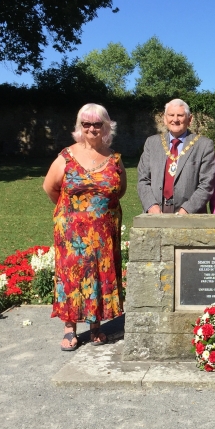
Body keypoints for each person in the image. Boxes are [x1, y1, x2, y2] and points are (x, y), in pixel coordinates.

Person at [42, 103, 126, 351]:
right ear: (80, 127)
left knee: (100, 275)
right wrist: (74, 213)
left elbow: (119, 191)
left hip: (103, 231)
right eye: (86, 124)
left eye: (97, 124)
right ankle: (70, 329)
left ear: (106, 126)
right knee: (73, 276)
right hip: (72, 232)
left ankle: (96, 326)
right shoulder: (66, 156)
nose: (91, 128)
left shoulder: (115, 159)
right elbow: (50, 187)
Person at [137, 99, 215, 214]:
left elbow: (207, 183)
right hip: (155, 213)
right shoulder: (152, 143)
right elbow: (143, 179)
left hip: (190, 215)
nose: (175, 119)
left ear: (190, 119)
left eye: (180, 115)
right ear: (165, 118)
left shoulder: (203, 145)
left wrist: (187, 210)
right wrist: (151, 206)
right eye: (171, 115)